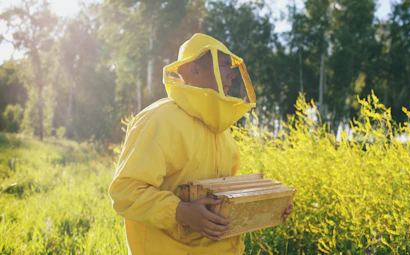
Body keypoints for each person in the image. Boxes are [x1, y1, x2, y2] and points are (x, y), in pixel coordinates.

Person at [109, 33, 292, 255]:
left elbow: (223, 203)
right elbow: (125, 192)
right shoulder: (157, 120)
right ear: (195, 71)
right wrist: (180, 212)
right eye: (224, 65)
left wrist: (265, 209)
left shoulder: (223, 132)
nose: (231, 75)